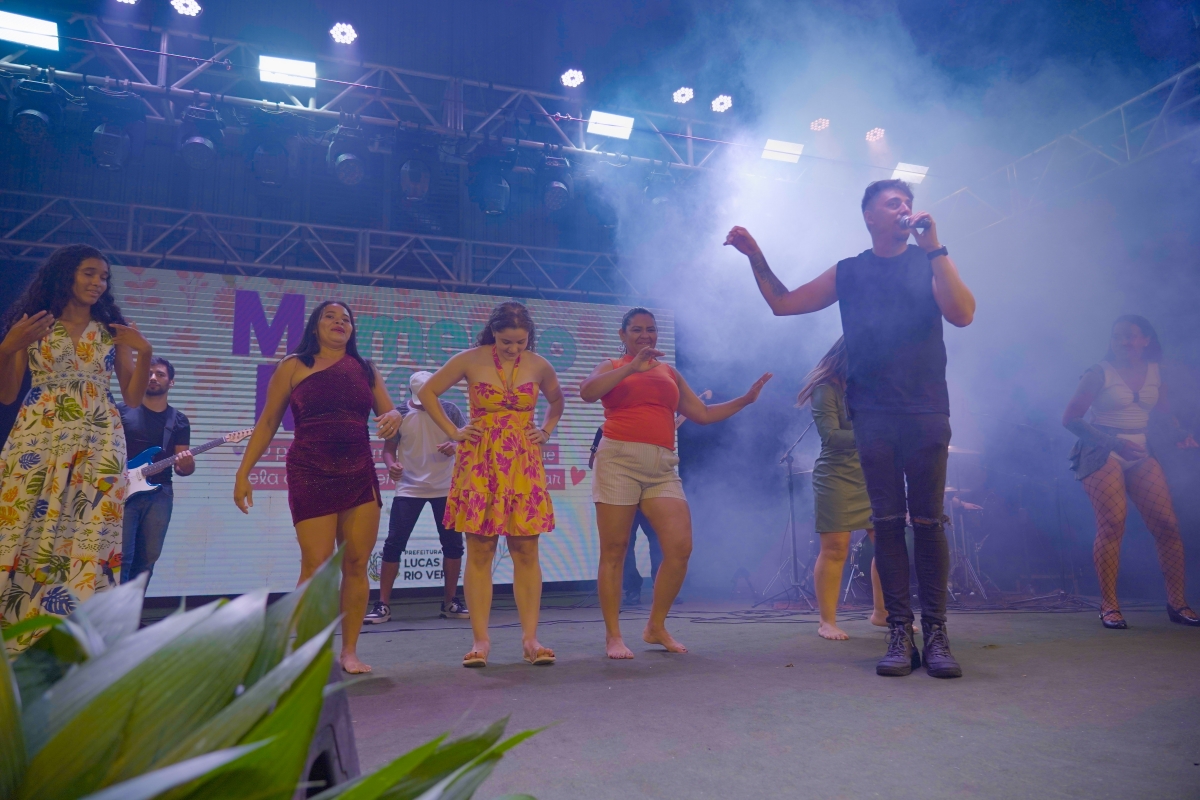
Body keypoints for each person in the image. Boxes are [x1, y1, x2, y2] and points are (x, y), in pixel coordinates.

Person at [726, 178, 976, 679]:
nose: (904, 207)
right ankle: (899, 633)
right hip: (874, 412)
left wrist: (936, 249)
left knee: (929, 523)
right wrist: (756, 257)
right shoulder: (850, 271)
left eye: (907, 201)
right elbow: (783, 303)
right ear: (869, 216)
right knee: (887, 524)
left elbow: (963, 314)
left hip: (926, 408)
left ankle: (937, 634)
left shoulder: (928, 262)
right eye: (893, 202)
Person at [580, 307, 772, 659]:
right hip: (618, 459)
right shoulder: (612, 365)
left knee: (680, 548)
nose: (645, 335)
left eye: (650, 329)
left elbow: (703, 414)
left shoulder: (669, 371)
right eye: (636, 329)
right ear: (622, 335)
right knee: (614, 549)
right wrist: (631, 368)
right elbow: (587, 392)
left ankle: (655, 626)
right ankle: (613, 636)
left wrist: (746, 400)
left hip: (662, 464)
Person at [234, 300, 402, 674]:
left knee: (356, 563)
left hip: (359, 471)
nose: (339, 322)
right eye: (330, 316)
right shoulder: (293, 366)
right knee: (316, 564)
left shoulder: (366, 368)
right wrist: (244, 472)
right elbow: (267, 423)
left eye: (346, 319)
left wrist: (395, 416)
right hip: (310, 469)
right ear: (315, 326)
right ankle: (308, 652)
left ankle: (350, 652)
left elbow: (390, 416)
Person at [0, 244, 153, 652]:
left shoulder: (112, 330)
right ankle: (17, 629)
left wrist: (145, 352)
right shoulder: (34, 324)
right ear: (66, 273)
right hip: (39, 434)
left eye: (104, 277)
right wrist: (7, 348)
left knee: (87, 530)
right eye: (89, 273)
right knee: (24, 522)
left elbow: (133, 397)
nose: (98, 283)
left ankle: (79, 638)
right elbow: (7, 393)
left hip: (98, 437)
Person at [417, 301, 564, 668]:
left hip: (522, 463)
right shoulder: (470, 359)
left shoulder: (539, 365)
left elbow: (557, 399)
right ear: (493, 333)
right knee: (480, 550)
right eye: (505, 341)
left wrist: (545, 430)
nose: (513, 349)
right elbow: (428, 392)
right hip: (480, 461)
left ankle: (531, 639)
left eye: (520, 342)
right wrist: (453, 431)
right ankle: (480, 641)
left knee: (526, 550)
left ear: (529, 336)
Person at [1062, 315, 1199, 629]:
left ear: (1146, 340)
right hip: (1101, 450)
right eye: (1118, 336)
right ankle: (1109, 606)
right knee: (1112, 524)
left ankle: (1178, 603)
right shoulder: (1098, 373)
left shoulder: (1156, 372)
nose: (1123, 342)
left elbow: (1162, 415)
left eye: (1130, 336)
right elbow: (1070, 419)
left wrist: (1181, 434)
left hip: (1139, 450)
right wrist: (1114, 443)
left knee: (1167, 525)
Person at [796, 337, 886, 640]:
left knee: (888, 545)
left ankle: (882, 613)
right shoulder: (825, 390)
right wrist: (872, 436)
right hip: (836, 476)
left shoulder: (870, 387)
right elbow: (831, 436)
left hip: (872, 474)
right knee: (835, 549)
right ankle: (827, 621)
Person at [366, 370, 470, 624]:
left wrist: (456, 446)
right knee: (394, 544)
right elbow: (388, 450)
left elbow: (469, 440)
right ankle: (383, 605)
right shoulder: (399, 414)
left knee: (453, 545)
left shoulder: (450, 410)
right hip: (409, 487)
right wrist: (391, 465)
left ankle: (450, 602)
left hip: (446, 486)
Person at [119, 356, 195, 589]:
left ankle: (133, 610)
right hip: (121, 493)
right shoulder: (120, 411)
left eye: (160, 374)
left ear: (171, 382)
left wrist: (187, 463)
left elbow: (183, 468)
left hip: (160, 494)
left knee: (146, 562)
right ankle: (112, 611)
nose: (153, 377)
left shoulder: (178, 420)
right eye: (149, 373)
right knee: (120, 559)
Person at [590, 424, 663, 607]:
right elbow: (592, 462)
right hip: (623, 497)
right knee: (624, 545)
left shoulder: (649, 425)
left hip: (649, 495)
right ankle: (632, 590)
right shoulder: (605, 429)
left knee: (659, 541)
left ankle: (661, 587)